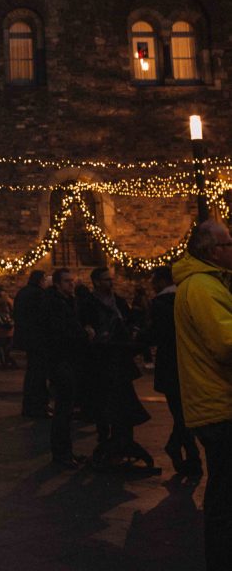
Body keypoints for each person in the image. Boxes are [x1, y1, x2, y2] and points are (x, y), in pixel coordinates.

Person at [173, 220, 232, 571]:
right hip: (220, 407)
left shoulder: (212, 285)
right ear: (213, 251)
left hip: (219, 404)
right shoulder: (201, 287)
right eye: (229, 243)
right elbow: (225, 343)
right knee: (225, 499)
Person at [80, 267, 155, 472]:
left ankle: (123, 441)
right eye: (106, 280)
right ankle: (106, 441)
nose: (110, 283)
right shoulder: (88, 304)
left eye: (111, 280)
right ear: (96, 282)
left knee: (123, 402)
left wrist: (133, 330)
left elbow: (131, 321)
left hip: (120, 359)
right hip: (101, 361)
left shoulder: (119, 302)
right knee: (104, 404)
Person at [149, 265, 201, 477]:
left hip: (170, 364)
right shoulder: (188, 297)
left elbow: (156, 334)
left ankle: (187, 454)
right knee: (186, 412)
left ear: (162, 281)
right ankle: (192, 458)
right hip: (189, 361)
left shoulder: (160, 303)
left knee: (180, 413)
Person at [42, 267, 93, 468]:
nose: (71, 284)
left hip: (68, 359)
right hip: (60, 360)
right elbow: (61, 332)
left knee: (67, 408)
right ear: (57, 284)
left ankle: (66, 452)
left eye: (72, 281)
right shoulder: (54, 304)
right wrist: (83, 334)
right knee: (63, 408)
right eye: (66, 281)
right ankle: (61, 454)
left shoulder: (68, 301)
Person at [13, 270, 49, 416]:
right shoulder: (38, 294)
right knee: (38, 374)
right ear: (40, 280)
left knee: (32, 372)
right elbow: (42, 317)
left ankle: (29, 406)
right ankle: (37, 407)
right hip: (37, 339)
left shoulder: (23, 292)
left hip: (27, 338)